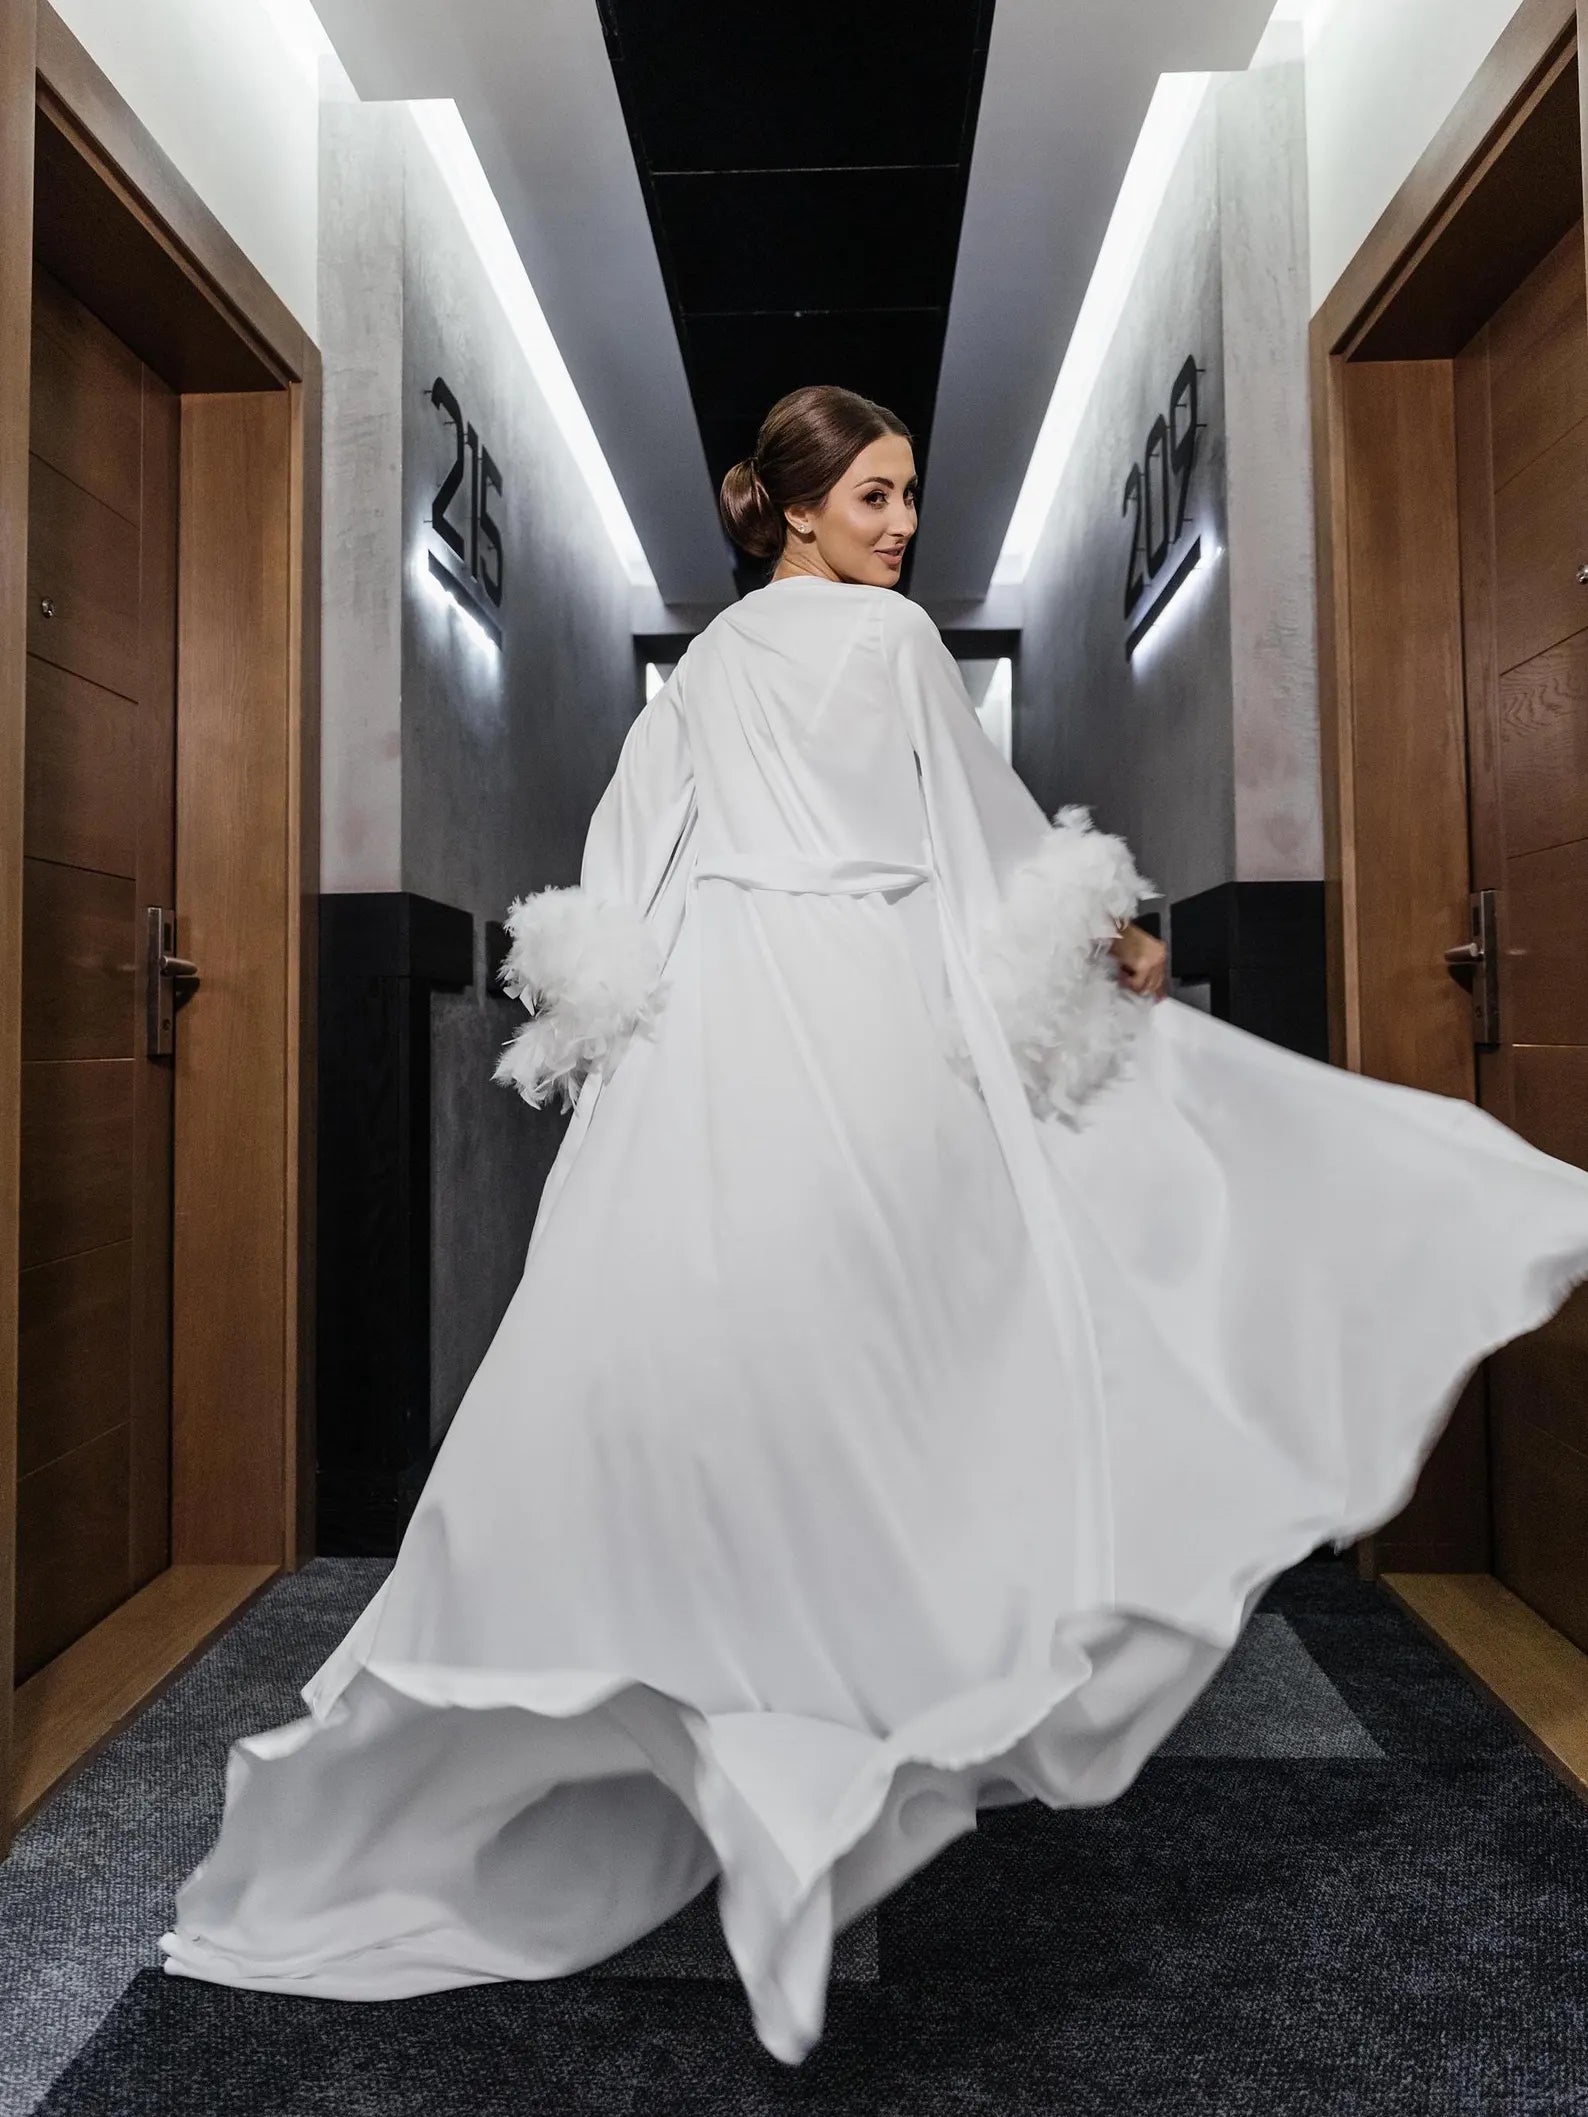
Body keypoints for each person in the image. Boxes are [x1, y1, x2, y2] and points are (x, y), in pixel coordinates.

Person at [159, 384, 1588, 2065]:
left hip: (720, 1026)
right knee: (890, 1337)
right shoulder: (899, 644)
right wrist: (1106, 940)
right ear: (794, 504)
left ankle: (694, 1662)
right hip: (870, 1011)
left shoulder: (696, 682)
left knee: (704, 1342)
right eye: (880, 494)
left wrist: (633, 1042)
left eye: (913, 495)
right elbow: (981, 846)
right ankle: (847, 1674)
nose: (905, 523)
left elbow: (622, 875)